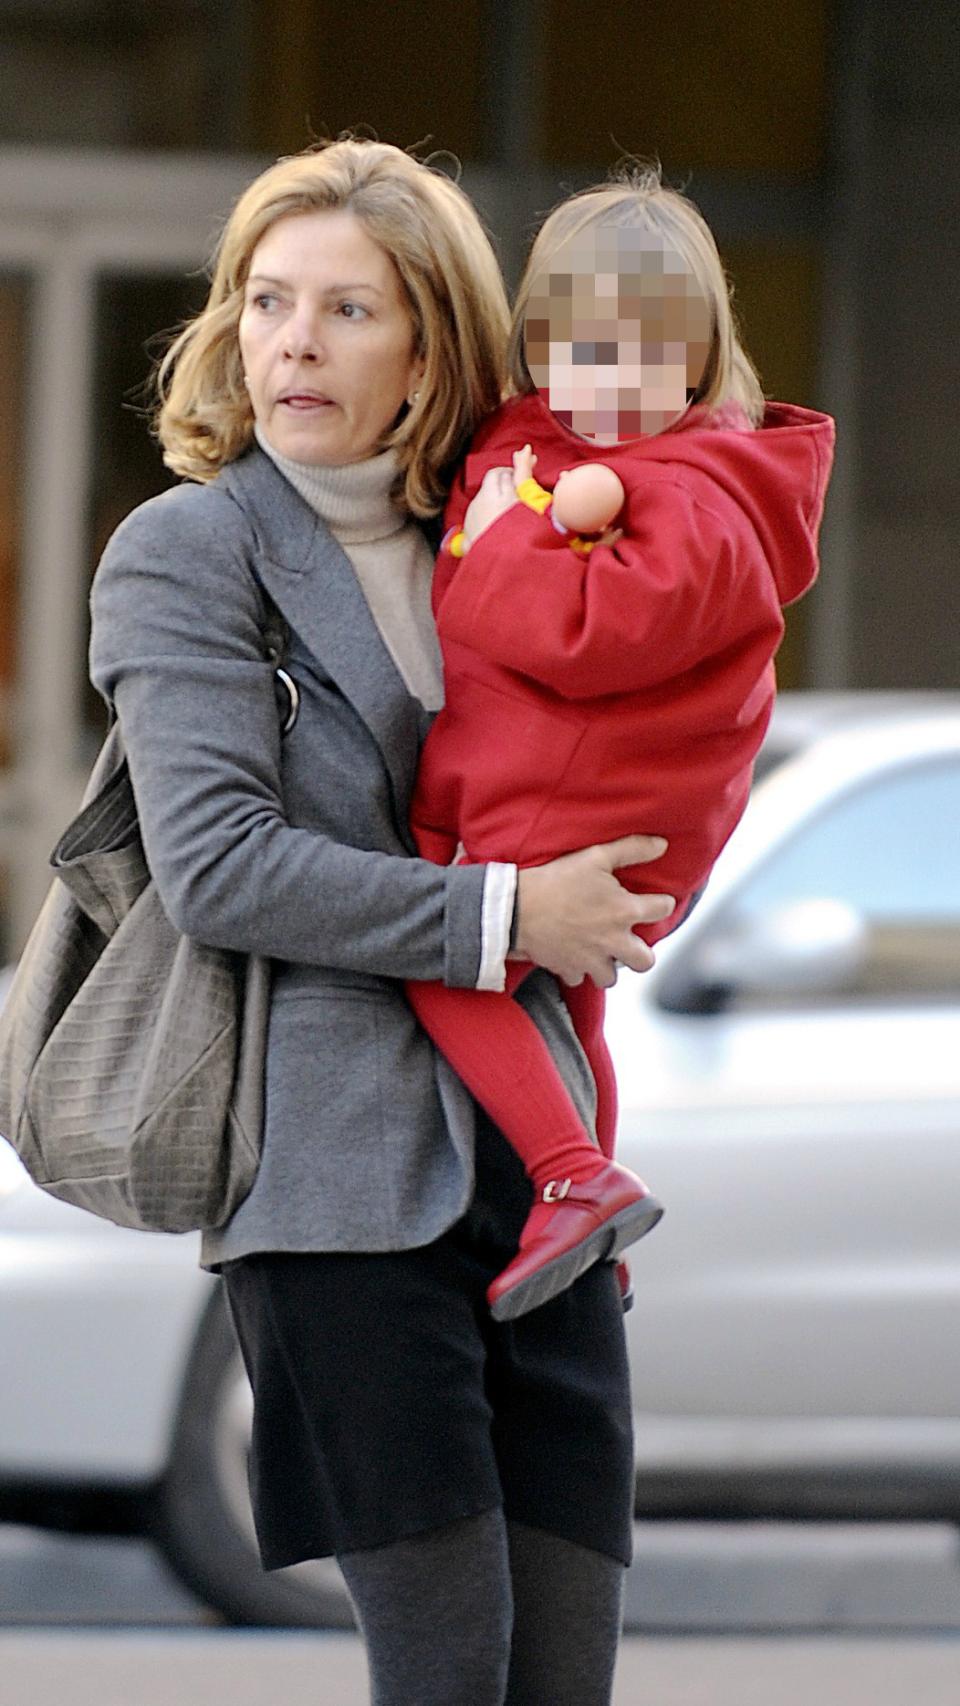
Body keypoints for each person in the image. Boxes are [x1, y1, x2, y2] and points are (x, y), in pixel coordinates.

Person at [87, 138, 676, 1706]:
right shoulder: (191, 553)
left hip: (541, 1168)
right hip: (336, 1190)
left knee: (566, 1675)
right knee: (447, 1669)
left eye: (348, 308)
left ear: (432, 341)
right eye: (268, 302)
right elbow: (219, 861)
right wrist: (505, 912)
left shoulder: (517, 525)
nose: (294, 341)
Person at [404, 170, 835, 1323]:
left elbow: (592, 632)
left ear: (698, 361)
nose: (611, 387)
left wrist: (491, 546)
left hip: (587, 796)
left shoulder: (702, 497)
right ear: (537, 348)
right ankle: (595, 1223)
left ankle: (571, 1175)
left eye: (648, 359)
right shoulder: (580, 445)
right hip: (582, 787)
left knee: (447, 952)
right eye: (581, 353)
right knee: (575, 1014)